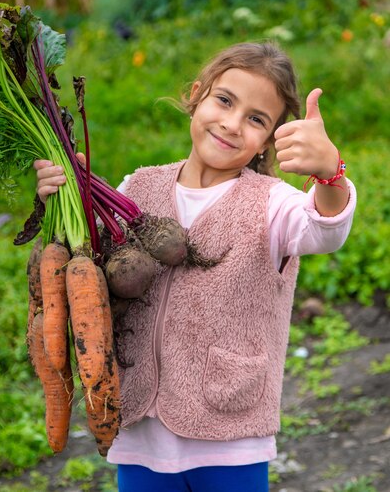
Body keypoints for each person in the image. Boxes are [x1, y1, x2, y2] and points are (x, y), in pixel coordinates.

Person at [34, 42, 356, 492]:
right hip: (139, 426)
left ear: (269, 138)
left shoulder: (272, 204)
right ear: (197, 95)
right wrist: (66, 192)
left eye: (256, 119)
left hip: (229, 432)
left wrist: (331, 174)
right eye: (224, 100)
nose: (231, 123)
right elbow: (94, 267)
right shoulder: (138, 186)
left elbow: (326, 229)